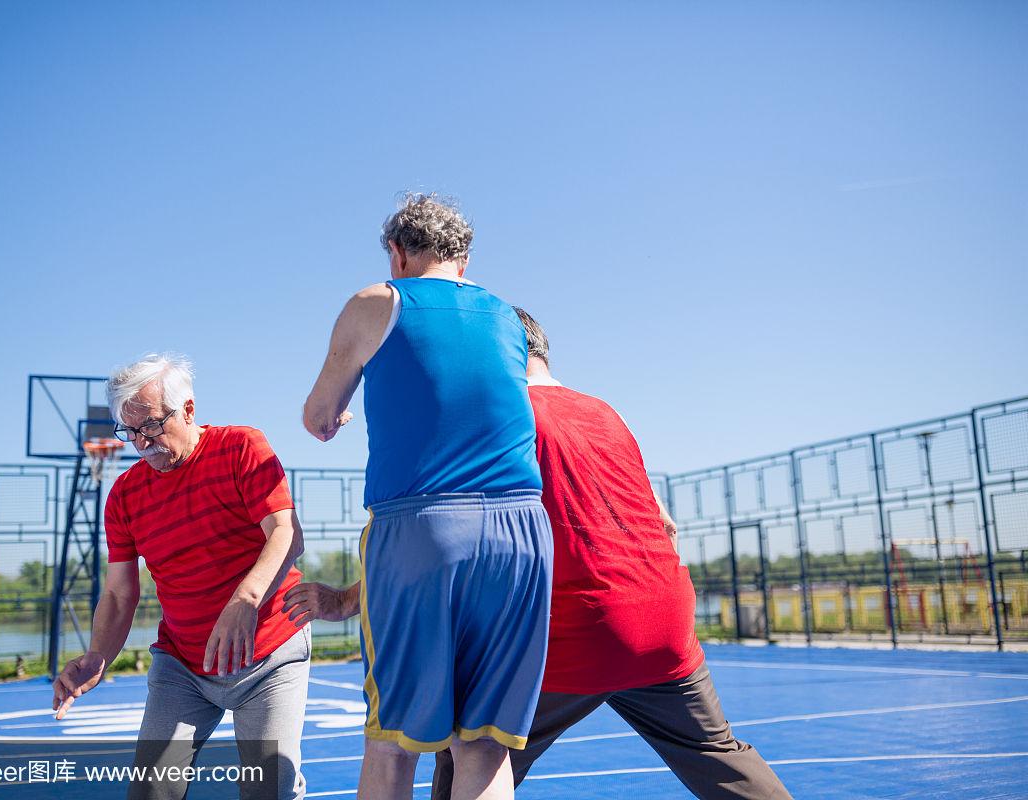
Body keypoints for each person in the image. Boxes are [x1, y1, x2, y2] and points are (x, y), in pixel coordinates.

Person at [287, 310, 792, 800]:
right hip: (663, 615)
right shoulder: (604, 412)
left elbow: (445, 539)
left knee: (472, 750)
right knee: (719, 754)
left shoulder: (503, 415)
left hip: (574, 626)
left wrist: (347, 601)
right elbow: (664, 521)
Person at [300, 194, 553, 800]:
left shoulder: (379, 301)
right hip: (522, 530)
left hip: (424, 525)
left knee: (391, 743)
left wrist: (336, 415)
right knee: (486, 744)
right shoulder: (506, 316)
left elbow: (317, 415)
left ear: (397, 251)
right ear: (463, 261)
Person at [52, 353, 310, 800]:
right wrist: (98, 655)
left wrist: (244, 601)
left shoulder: (242, 446)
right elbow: (117, 595)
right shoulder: (125, 495)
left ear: (187, 409)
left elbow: (287, 534)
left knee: (269, 792)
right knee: (152, 791)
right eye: (129, 432)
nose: (141, 442)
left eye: (150, 425)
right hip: (184, 666)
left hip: (269, 652)